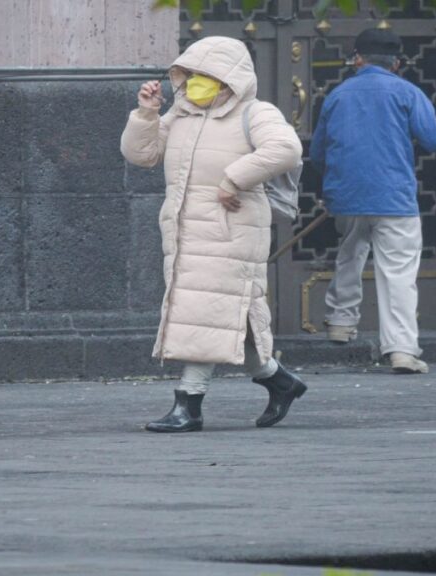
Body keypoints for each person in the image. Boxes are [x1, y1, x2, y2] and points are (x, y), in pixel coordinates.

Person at [120, 36, 307, 433]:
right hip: (186, 232)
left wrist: (233, 178)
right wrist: (146, 113)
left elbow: (286, 149)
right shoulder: (181, 114)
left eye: (204, 74)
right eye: (190, 74)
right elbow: (141, 155)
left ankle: (188, 404)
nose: (195, 82)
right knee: (221, 318)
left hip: (231, 230)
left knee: (205, 314)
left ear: (229, 78)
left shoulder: (255, 112)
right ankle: (280, 381)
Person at [309, 29, 436, 374]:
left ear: (358, 59)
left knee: (350, 255)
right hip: (394, 198)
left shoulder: (337, 95)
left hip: (347, 195)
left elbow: (318, 152)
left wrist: (339, 182)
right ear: (397, 63)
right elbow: (435, 140)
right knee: (397, 273)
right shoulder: (407, 92)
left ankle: (340, 322)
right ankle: (401, 350)